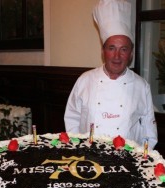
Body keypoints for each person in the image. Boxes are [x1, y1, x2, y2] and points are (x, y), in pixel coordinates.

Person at [64, 0, 158, 149]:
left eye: (124, 49)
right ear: (103, 52)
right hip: (90, 159)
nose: (117, 56)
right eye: (111, 48)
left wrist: (141, 159)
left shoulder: (141, 86)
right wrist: (78, 149)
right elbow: (72, 119)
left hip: (127, 162)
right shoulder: (84, 80)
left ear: (131, 54)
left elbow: (149, 132)